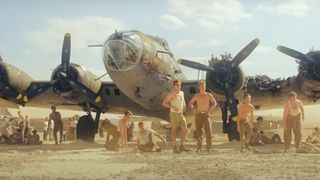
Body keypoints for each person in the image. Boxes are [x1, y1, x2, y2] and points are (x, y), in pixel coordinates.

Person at [162, 80, 190, 153]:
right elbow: (164, 103)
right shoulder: (171, 94)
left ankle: (181, 145)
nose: (179, 86)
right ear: (174, 86)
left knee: (185, 129)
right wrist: (172, 106)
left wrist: (184, 106)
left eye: (180, 84)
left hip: (181, 113)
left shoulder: (182, 93)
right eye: (177, 85)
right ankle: (174, 147)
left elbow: (183, 101)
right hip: (174, 113)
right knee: (174, 130)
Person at [189, 81, 217, 152]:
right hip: (198, 114)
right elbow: (190, 103)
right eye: (201, 86)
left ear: (205, 87)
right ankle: (199, 148)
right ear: (199, 87)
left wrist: (209, 110)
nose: (203, 88)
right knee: (199, 132)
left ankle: (209, 148)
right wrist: (194, 110)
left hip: (206, 114)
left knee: (208, 132)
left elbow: (214, 103)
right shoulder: (196, 95)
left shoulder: (208, 95)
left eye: (204, 86)